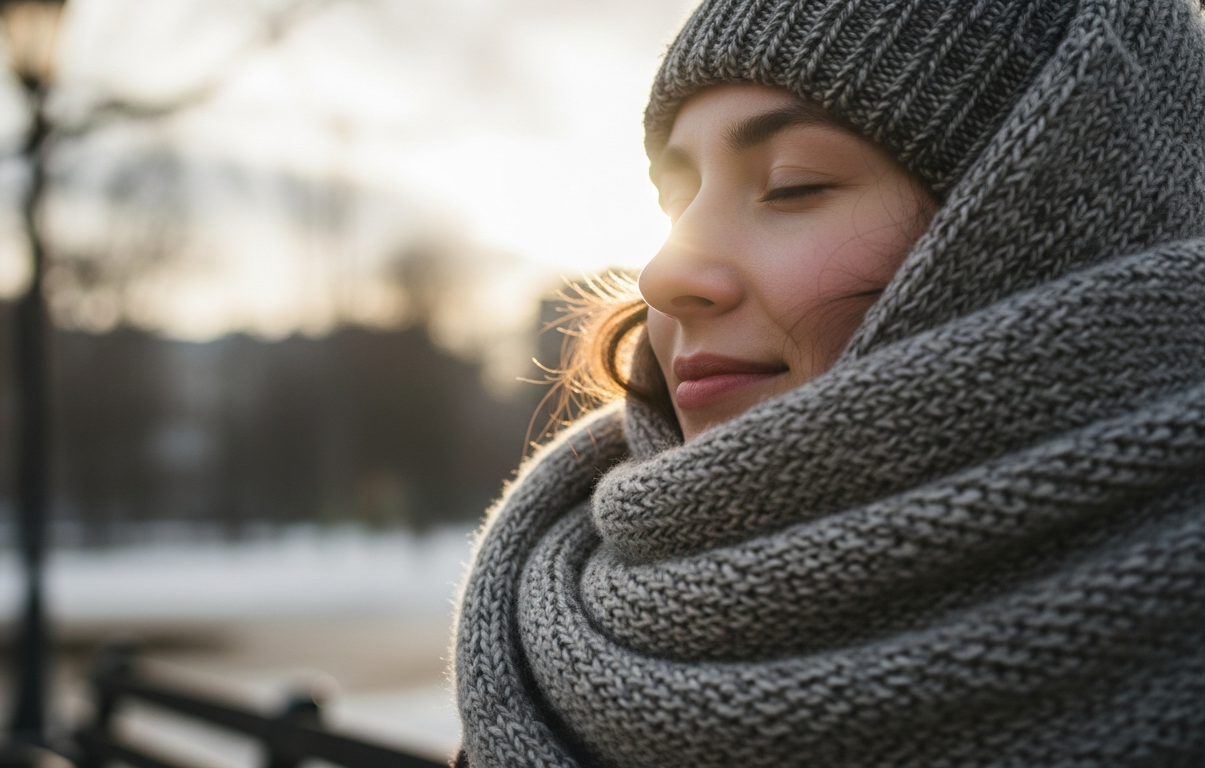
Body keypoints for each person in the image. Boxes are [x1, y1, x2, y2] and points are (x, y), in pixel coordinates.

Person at [452, 0, 1205, 765]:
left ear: (1047, 230)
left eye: (791, 185)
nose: (662, 274)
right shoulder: (540, 636)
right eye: (678, 201)